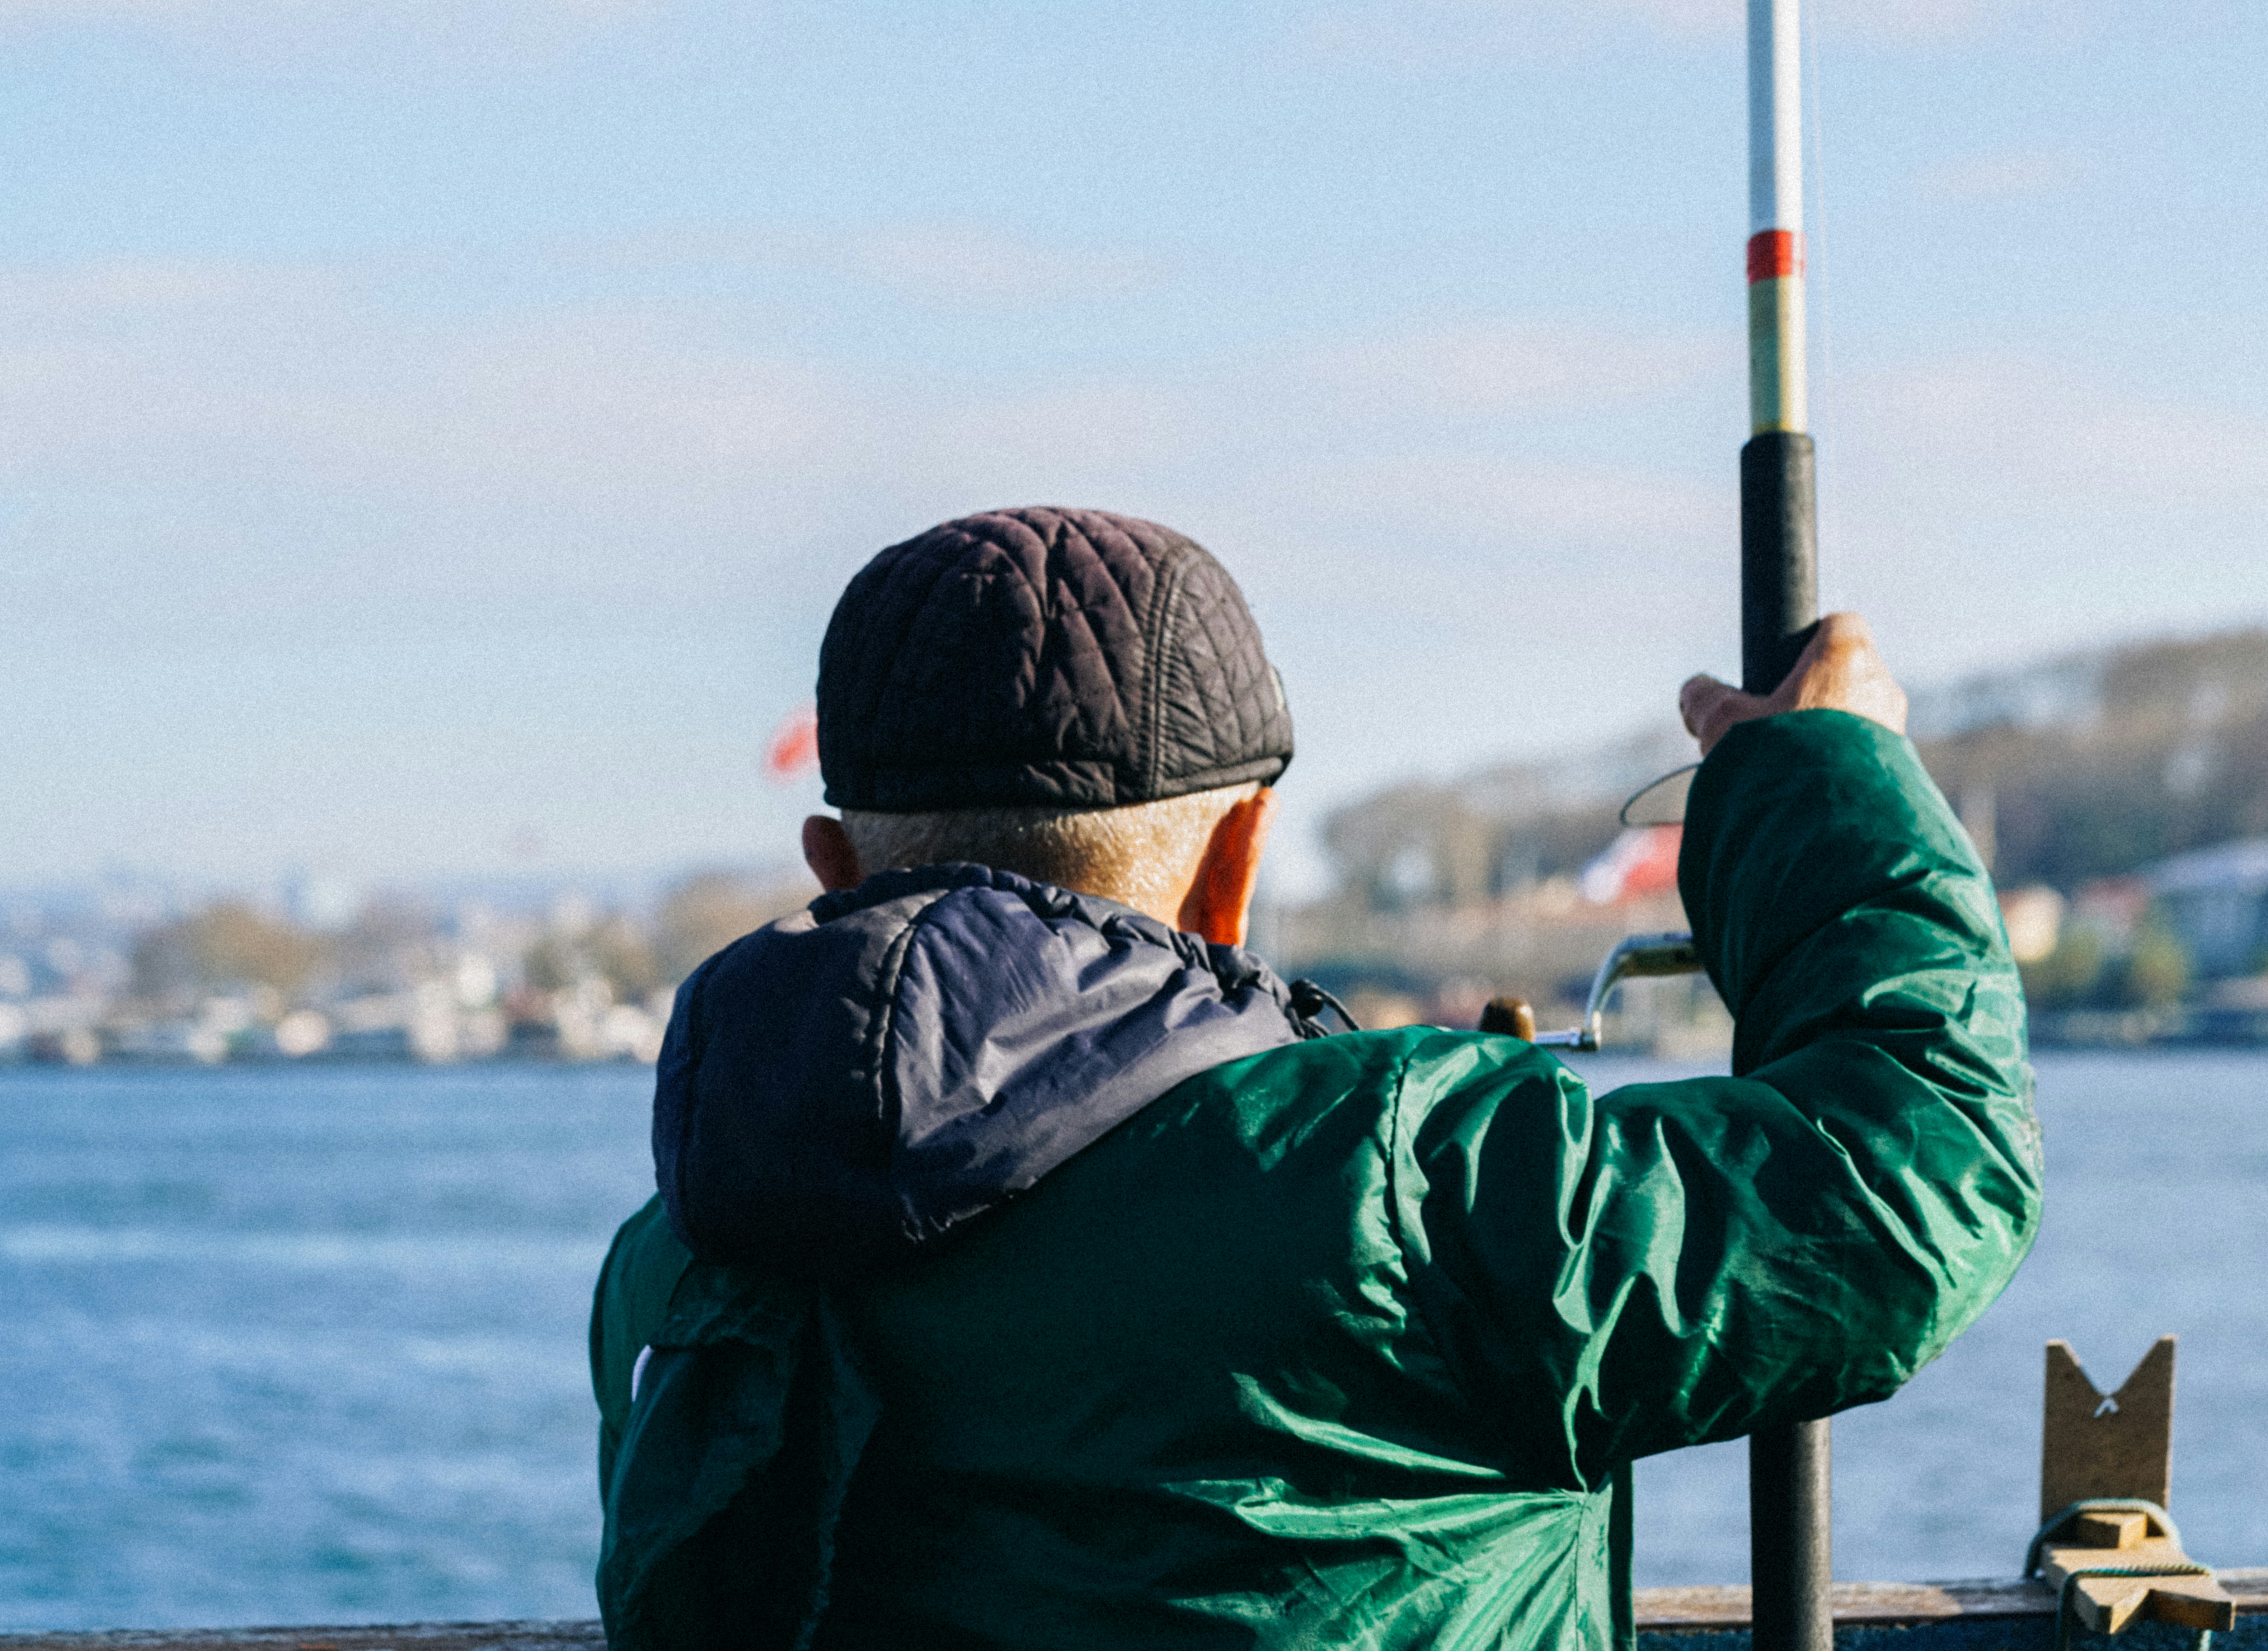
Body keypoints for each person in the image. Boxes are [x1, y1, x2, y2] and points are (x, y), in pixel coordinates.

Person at [588, 505, 2039, 1651]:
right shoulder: (1401, 1182)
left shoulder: (675, 1270)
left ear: (831, 868)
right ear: (1235, 867)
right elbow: (1917, 1175)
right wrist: (1822, 785)